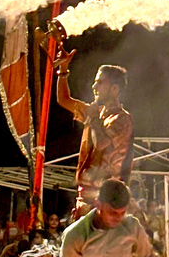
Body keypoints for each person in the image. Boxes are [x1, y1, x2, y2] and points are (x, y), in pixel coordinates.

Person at [55, 49, 133, 219]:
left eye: (99, 82)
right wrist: (63, 70)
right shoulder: (95, 112)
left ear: (114, 88)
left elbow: (101, 143)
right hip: (85, 195)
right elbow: (63, 99)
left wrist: (93, 118)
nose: (94, 87)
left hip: (105, 198)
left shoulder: (122, 119)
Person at [60, 179, 152, 257]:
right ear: (98, 205)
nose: (118, 218)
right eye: (113, 213)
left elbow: (148, 255)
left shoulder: (133, 227)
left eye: (122, 213)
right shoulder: (75, 235)